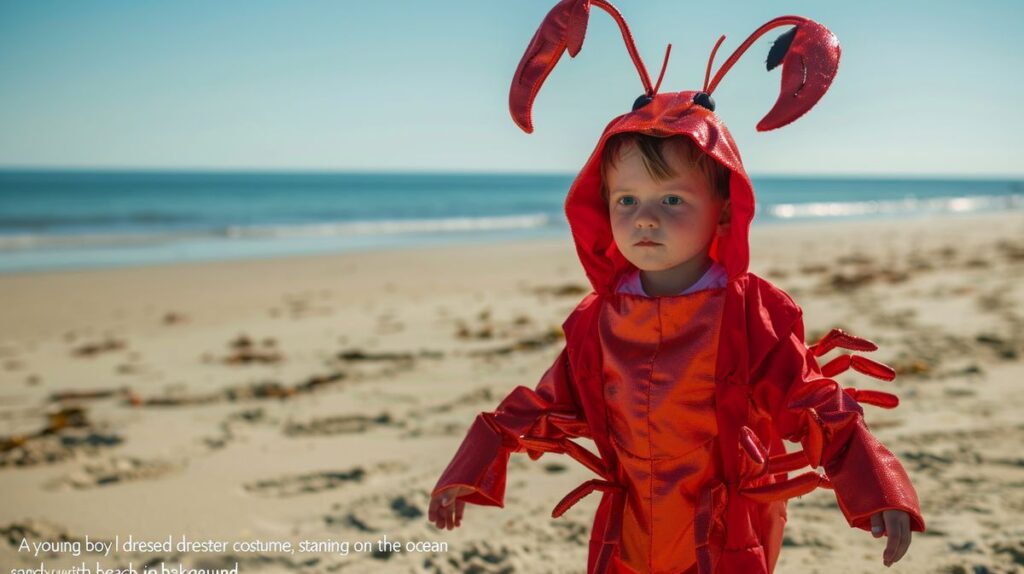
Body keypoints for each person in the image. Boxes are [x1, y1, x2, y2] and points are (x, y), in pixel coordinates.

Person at [428, 3, 924, 573]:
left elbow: (814, 402)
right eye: (626, 200)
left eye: (672, 200)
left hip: (725, 528)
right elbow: (547, 405)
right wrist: (473, 466)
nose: (645, 218)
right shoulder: (598, 318)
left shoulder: (750, 312)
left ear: (723, 210)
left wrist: (880, 491)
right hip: (628, 526)